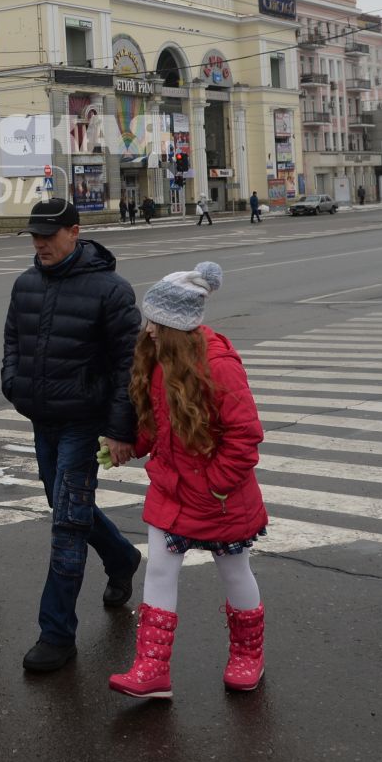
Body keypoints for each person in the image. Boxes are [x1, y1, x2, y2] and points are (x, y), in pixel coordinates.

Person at [107, 262, 268, 700]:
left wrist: (217, 484)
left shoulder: (219, 366)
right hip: (172, 488)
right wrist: (128, 444)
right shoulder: (158, 360)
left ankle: (247, 655)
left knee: (234, 572)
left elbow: (246, 435)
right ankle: (152, 669)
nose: (149, 330)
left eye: (155, 322)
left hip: (220, 497)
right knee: (159, 569)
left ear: (177, 325)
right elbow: (156, 422)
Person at [2, 198, 144, 673]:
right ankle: (122, 556)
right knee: (63, 505)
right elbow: (12, 343)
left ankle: (56, 633)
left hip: (85, 421)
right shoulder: (26, 284)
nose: (40, 243)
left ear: (75, 232)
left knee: (66, 522)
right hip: (43, 418)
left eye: (49, 234)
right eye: (35, 235)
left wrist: (121, 429)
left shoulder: (111, 290)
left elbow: (130, 365)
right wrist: (13, 386)